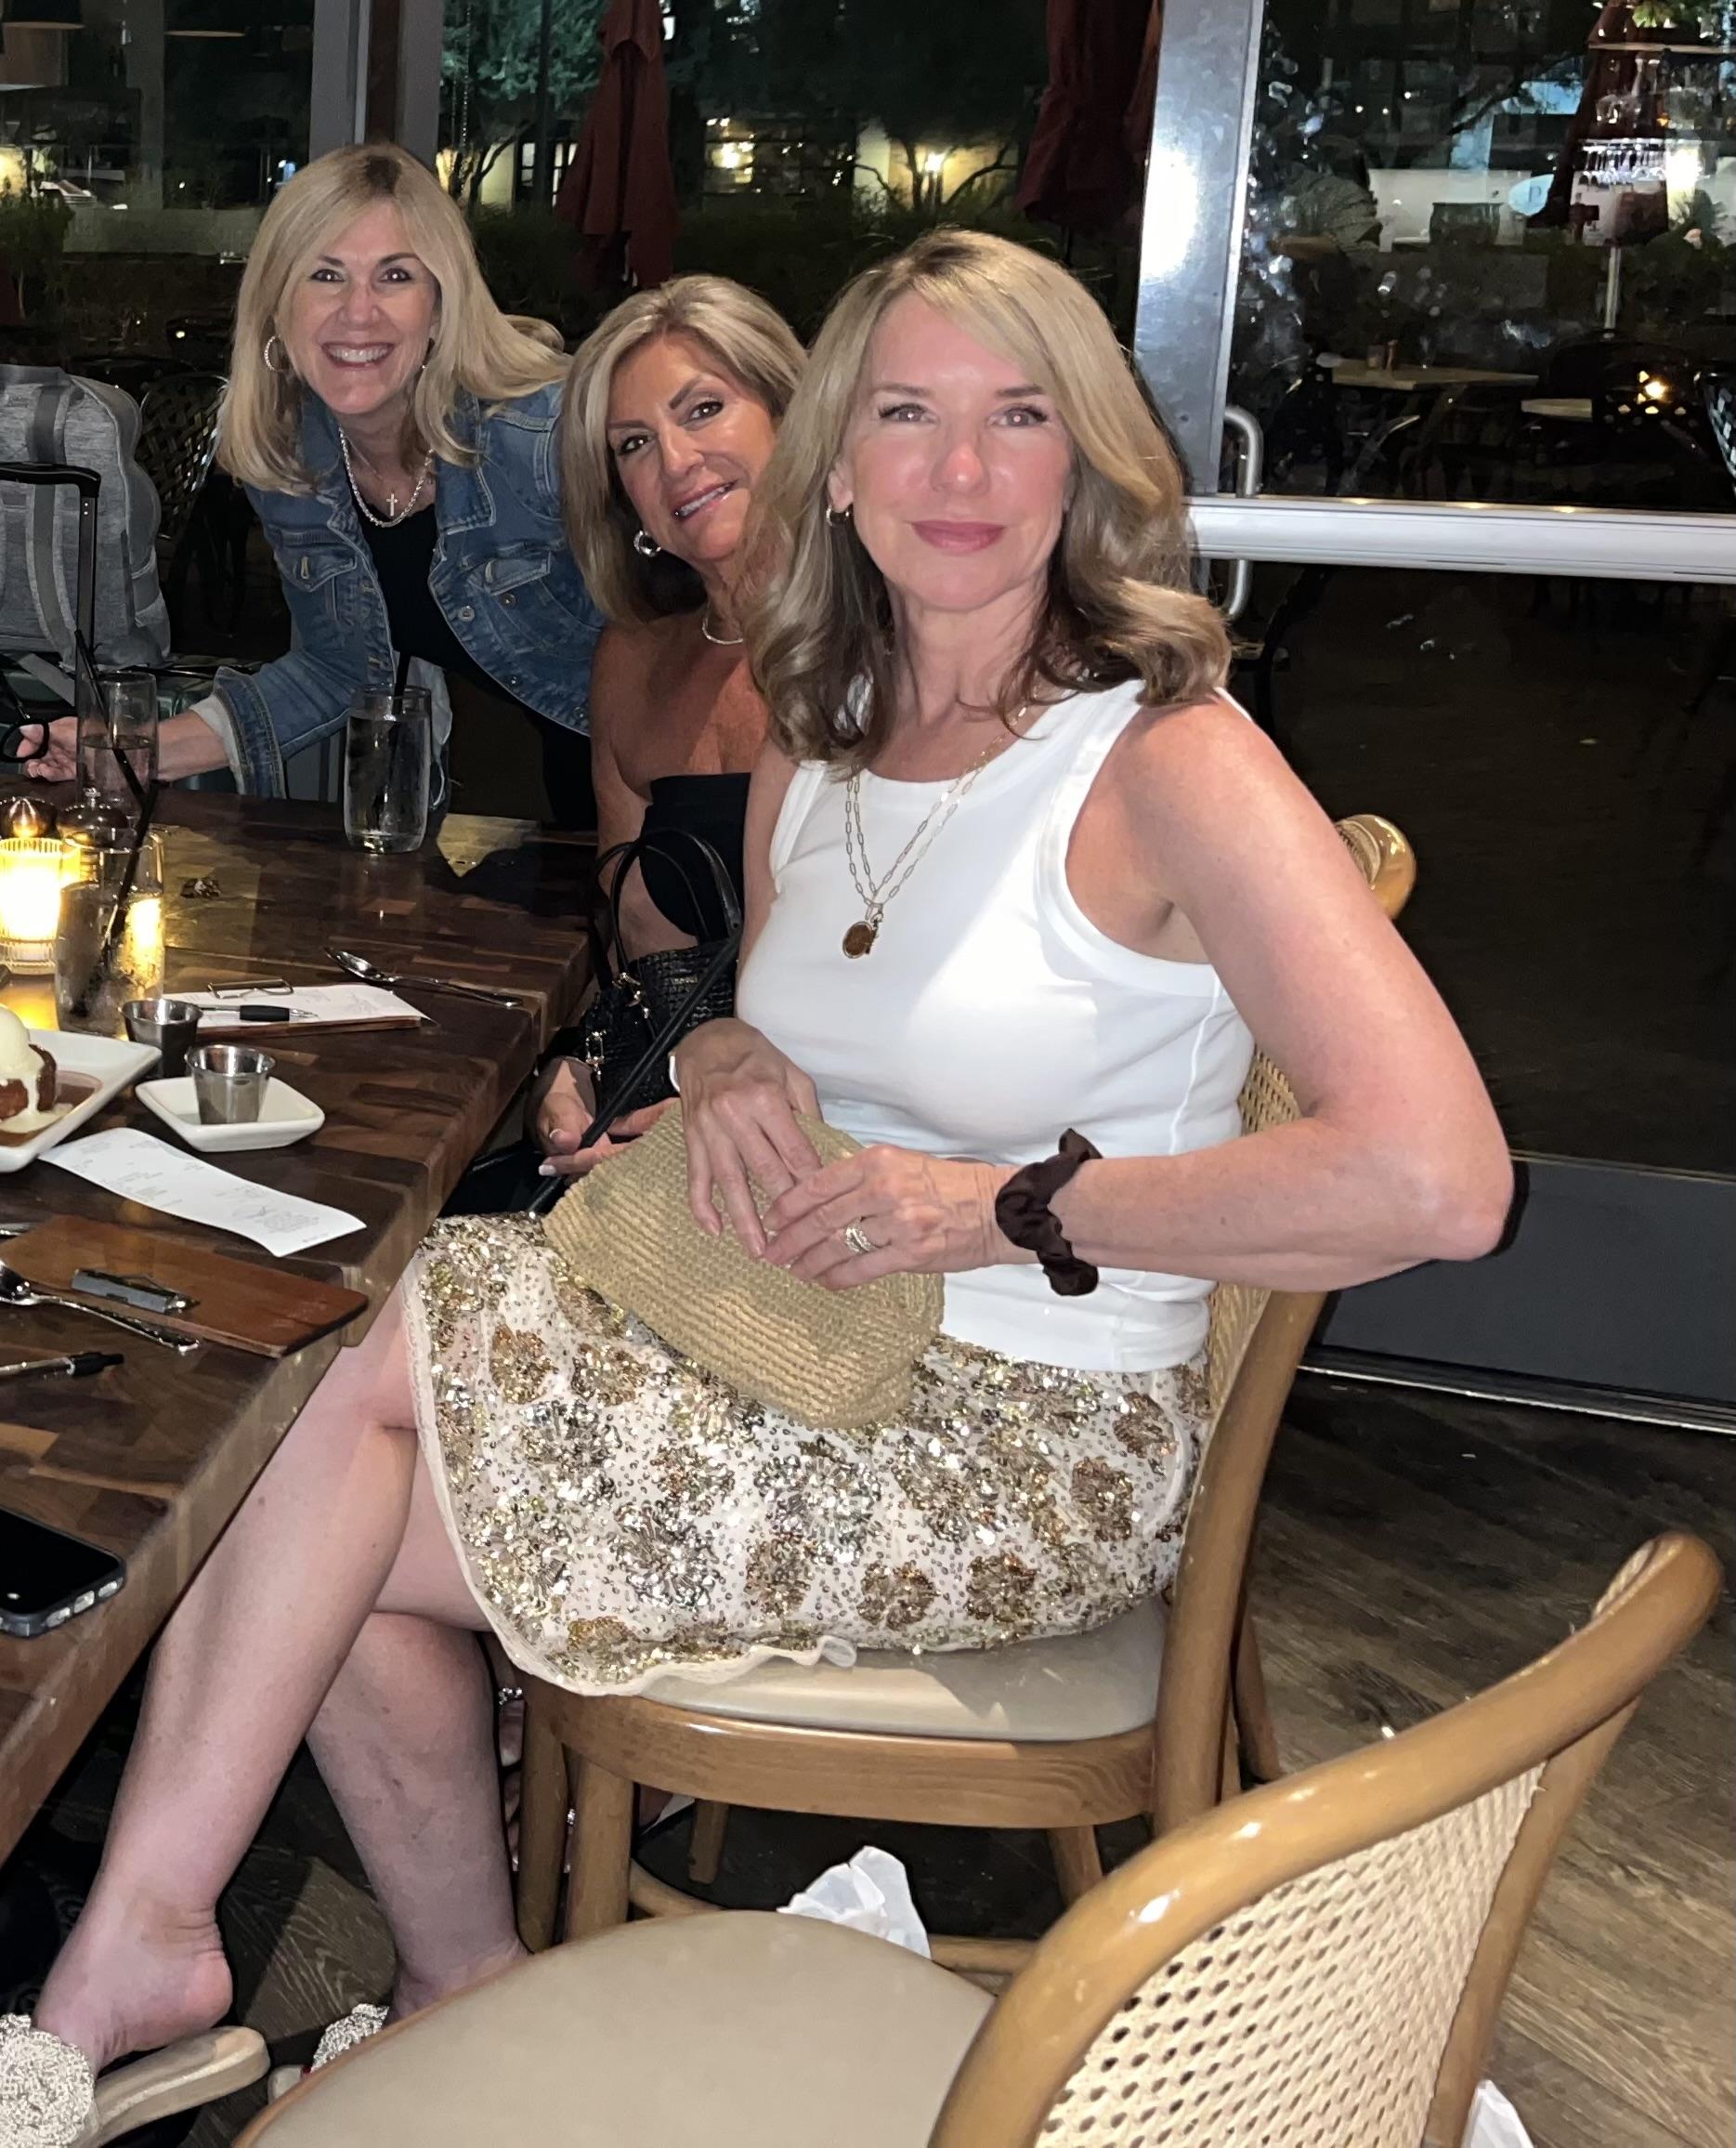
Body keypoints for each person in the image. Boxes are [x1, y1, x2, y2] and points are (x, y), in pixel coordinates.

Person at [4, 229, 1511, 2143]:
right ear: (840, 466)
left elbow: (1436, 1180)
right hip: (799, 1320)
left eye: (1015, 417)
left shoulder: (1165, 758)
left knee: (315, 1480)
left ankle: (164, 1963)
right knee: (324, 1388)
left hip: (1019, 1434)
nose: (956, 472)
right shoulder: (830, 728)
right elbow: (773, 1002)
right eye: (906, 416)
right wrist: (720, 1059)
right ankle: (331, 1967)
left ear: (1085, 455)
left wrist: (1004, 1206)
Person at [25, 144, 604, 824]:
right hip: (585, 786)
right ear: (277, 307)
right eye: (326, 275)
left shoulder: (543, 436)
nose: (358, 312)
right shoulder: (297, 458)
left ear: (440, 309)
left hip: (685, 766)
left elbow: (691, 628)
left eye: (395, 276)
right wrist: (133, 750)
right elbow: (338, 667)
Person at [531, 274, 804, 1176]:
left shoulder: (891, 650)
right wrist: (574, 1066)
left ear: (791, 416)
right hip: (651, 1139)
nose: (677, 460)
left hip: (830, 1146)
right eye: (634, 444)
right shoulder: (634, 662)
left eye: (705, 409)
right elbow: (633, 964)